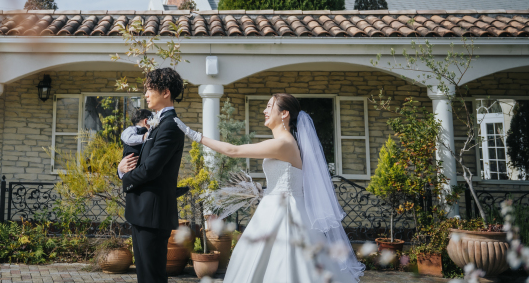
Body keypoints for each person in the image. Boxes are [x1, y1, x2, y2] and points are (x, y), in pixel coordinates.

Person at [175, 93, 364, 283]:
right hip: (275, 205)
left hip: (284, 212)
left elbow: (233, 150)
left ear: (284, 113)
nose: (264, 111)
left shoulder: (283, 144)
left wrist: (194, 135)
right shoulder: (287, 143)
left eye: (269, 106)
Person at [117, 67, 185, 283]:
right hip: (142, 212)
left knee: (152, 277)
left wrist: (125, 179)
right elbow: (140, 161)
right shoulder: (156, 124)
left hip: (153, 214)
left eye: (149, 89)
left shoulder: (171, 126)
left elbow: (151, 169)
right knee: (145, 276)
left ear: (165, 92)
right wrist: (121, 169)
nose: (146, 94)